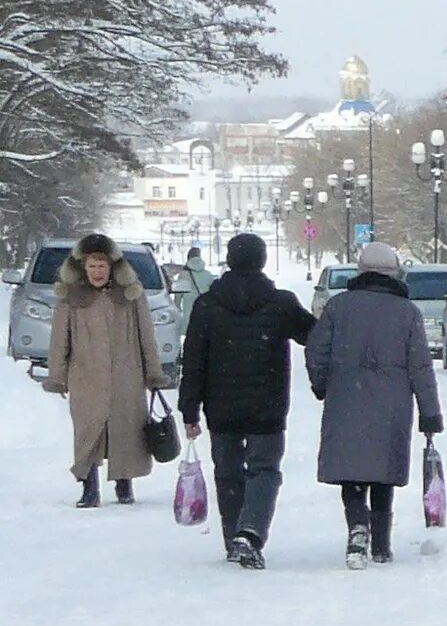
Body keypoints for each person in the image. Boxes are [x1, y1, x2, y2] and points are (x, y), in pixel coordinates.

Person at [177, 231, 316, 568]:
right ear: (263, 260)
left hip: (220, 406)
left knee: (227, 472)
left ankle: (232, 538)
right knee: (264, 470)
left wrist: (189, 408)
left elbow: (193, 360)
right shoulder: (280, 303)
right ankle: (250, 532)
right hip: (267, 406)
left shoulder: (207, 305)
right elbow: (314, 335)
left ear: (229, 260)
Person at [306, 240, 442, 568]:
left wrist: (322, 385)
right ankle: (381, 544)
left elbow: (316, 351)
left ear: (361, 271)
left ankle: (357, 527)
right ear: (395, 273)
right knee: (383, 472)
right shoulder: (406, 312)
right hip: (392, 403)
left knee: (351, 470)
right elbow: (420, 366)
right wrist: (430, 411)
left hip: (346, 398)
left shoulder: (339, 306)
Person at [42, 231, 167, 508]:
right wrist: (57, 376)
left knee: (126, 430)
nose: (97, 271)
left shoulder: (131, 295)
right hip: (85, 375)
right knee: (89, 431)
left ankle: (125, 483)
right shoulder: (70, 298)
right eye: (92, 266)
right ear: (82, 267)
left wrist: (153, 373)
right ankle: (89, 487)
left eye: (102, 265)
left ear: (112, 267)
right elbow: (59, 341)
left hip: (126, 375)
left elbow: (146, 336)